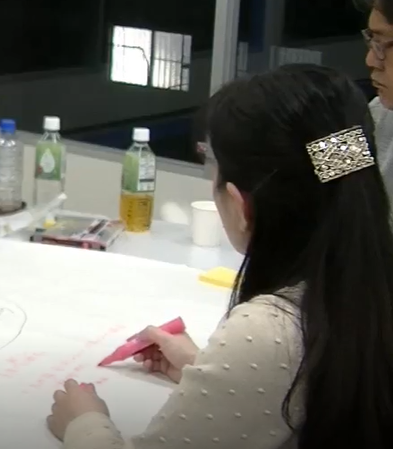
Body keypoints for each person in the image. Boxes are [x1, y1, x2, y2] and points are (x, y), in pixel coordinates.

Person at [46, 64, 393, 448]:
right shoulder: (365, 288)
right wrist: (215, 372)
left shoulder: (273, 329)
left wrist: (83, 421)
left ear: (241, 205)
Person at [359, 0, 393, 197]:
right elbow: (323, 168)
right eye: (372, 41)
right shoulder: (381, 113)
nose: (371, 60)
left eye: (383, 44)